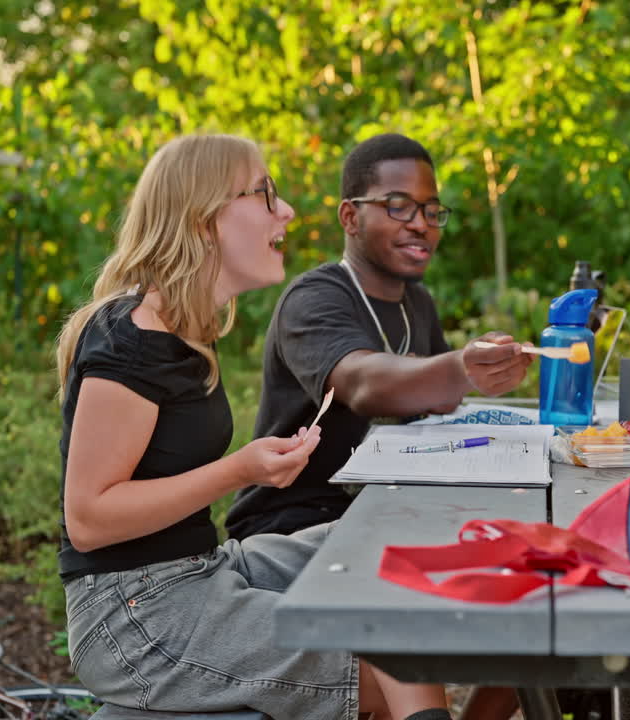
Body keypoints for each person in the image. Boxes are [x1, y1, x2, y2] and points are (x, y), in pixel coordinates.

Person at [55, 134, 451, 720]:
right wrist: (239, 468)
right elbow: (88, 519)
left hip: (198, 573)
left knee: (382, 549)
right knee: (391, 658)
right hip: (134, 616)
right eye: (265, 194)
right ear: (205, 216)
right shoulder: (131, 339)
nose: (286, 210)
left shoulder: (181, 332)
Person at [225, 133, 532, 541]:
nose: (421, 224)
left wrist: (483, 370)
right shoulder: (314, 298)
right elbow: (364, 385)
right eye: (399, 206)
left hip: (385, 503)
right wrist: (462, 367)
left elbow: (441, 399)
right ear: (351, 217)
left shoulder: (417, 303)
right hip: (293, 523)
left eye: (431, 209)